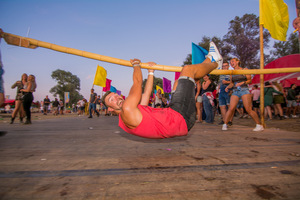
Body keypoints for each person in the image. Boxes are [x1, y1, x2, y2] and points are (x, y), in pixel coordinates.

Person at [101, 42, 222, 139]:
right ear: (110, 108)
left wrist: (150, 72)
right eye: (111, 99)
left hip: (175, 115)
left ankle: (208, 61)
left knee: (178, 82)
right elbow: (137, 83)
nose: (117, 98)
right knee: (187, 69)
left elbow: (146, 94)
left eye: (115, 95)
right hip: (179, 118)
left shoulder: (131, 115)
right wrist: (136, 65)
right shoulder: (127, 110)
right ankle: (216, 62)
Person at [222, 58, 263, 131]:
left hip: (244, 90)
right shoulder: (232, 72)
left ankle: (259, 125)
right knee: (231, 108)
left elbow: (249, 80)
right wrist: (228, 87)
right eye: (230, 62)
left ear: (237, 62)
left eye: (232, 61)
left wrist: (242, 83)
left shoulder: (244, 70)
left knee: (248, 109)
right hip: (235, 91)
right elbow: (232, 83)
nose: (231, 63)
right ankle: (225, 124)